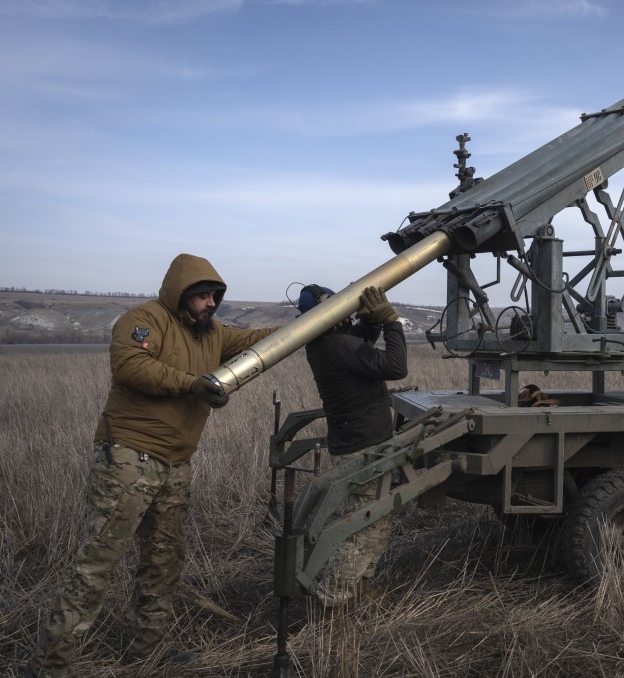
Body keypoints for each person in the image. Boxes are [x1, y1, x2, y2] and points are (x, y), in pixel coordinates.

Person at [26, 254, 278, 677]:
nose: (211, 303)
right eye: (203, 295)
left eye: (215, 296)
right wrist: (193, 384)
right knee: (99, 560)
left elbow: (258, 339)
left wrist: (317, 320)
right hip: (129, 456)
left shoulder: (213, 332)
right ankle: (50, 666)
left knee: (164, 558)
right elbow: (132, 367)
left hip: (176, 463)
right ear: (181, 293)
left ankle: (146, 652)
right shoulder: (144, 321)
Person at [298, 283, 408, 607]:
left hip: (361, 442)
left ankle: (361, 588)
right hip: (363, 447)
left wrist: (370, 321)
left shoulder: (324, 345)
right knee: (361, 526)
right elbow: (396, 367)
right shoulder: (338, 346)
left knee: (377, 520)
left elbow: (360, 342)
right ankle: (332, 602)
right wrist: (391, 322)